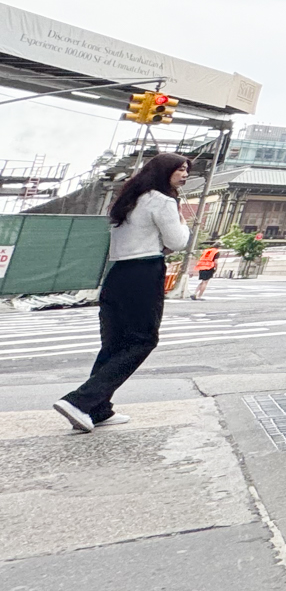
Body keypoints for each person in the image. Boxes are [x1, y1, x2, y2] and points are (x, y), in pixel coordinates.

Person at [54, 153, 190, 433]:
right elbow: (176, 242)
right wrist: (185, 225)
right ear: (166, 172)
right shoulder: (163, 201)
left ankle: (99, 408)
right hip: (144, 272)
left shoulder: (128, 200)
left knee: (115, 343)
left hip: (118, 274)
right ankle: (80, 401)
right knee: (143, 340)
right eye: (180, 170)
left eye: (187, 170)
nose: (185, 175)